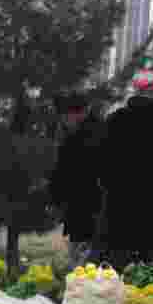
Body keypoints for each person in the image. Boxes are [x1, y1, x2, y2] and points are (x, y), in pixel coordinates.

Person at [98, 57, 153, 272]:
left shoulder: (115, 120)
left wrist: (105, 185)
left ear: (134, 91)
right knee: (151, 262)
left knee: (117, 257)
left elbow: (100, 157)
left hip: (118, 201)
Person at [50, 92, 105, 270]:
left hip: (88, 208)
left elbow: (66, 172)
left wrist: (56, 198)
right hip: (83, 209)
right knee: (82, 254)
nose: (63, 120)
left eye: (65, 116)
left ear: (77, 114)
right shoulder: (83, 131)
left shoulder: (86, 136)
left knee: (84, 257)